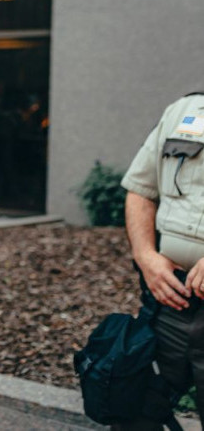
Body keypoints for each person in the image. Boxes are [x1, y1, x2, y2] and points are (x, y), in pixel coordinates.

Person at [121, 91, 204, 428]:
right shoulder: (184, 111)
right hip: (169, 295)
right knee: (138, 403)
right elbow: (141, 189)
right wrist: (145, 256)